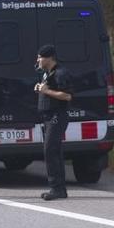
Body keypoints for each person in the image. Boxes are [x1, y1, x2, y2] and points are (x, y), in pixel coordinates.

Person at [35, 44, 72, 201]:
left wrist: (46, 91)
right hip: (48, 117)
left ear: (49, 58)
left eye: (40, 57)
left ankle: (56, 188)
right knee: (55, 151)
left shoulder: (61, 73)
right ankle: (59, 189)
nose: (38, 60)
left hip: (57, 116)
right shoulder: (46, 73)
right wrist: (40, 88)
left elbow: (68, 96)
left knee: (50, 150)